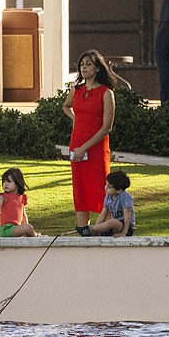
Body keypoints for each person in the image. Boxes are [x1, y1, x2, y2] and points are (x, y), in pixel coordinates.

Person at [62, 50, 117, 235]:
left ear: (97, 68)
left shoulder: (106, 93)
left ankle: (107, 226)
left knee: (102, 186)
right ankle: (82, 228)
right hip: (76, 144)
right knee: (80, 187)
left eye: (88, 64)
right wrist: (76, 120)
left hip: (96, 148)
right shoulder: (76, 90)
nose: (84, 67)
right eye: (82, 64)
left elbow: (107, 127)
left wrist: (84, 147)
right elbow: (66, 106)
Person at [77, 170, 135, 238]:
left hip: (126, 227)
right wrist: (97, 228)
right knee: (109, 222)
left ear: (119, 190)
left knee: (112, 222)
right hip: (114, 226)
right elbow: (102, 215)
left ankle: (90, 228)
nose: (105, 188)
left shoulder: (125, 197)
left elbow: (127, 217)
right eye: (106, 184)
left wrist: (124, 233)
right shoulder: (108, 196)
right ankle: (94, 231)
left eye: (109, 187)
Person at [0, 168, 37, 237]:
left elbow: (23, 215)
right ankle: (36, 236)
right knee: (28, 228)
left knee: (27, 228)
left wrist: (25, 229)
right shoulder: (3, 197)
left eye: (9, 182)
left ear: (17, 183)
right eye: (4, 182)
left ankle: (31, 236)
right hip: (6, 229)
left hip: (16, 228)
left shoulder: (22, 197)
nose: (5, 184)